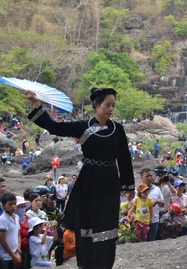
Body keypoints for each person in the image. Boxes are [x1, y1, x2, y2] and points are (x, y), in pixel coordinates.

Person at [26, 87, 135, 268]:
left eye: (113, 106)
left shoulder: (118, 129)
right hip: (89, 180)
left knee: (106, 224)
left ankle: (105, 264)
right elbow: (54, 127)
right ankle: (86, 263)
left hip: (109, 181)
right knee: (87, 223)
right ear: (96, 104)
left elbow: (124, 158)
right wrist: (37, 104)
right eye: (107, 105)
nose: (111, 109)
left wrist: (128, 187)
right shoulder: (83, 126)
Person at [138, 169, 164, 241]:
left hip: (154, 221)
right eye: (147, 176)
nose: (150, 177)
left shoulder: (157, 189)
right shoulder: (137, 190)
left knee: (151, 242)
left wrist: (160, 202)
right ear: (141, 178)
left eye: (150, 175)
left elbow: (162, 204)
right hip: (140, 221)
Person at [0, 193, 22, 268]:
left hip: (15, 253)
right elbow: (3, 241)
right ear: (3, 206)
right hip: (5, 256)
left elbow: (18, 234)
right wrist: (13, 256)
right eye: (10, 204)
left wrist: (18, 249)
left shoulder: (16, 217)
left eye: (14, 203)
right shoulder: (2, 219)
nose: (13, 206)